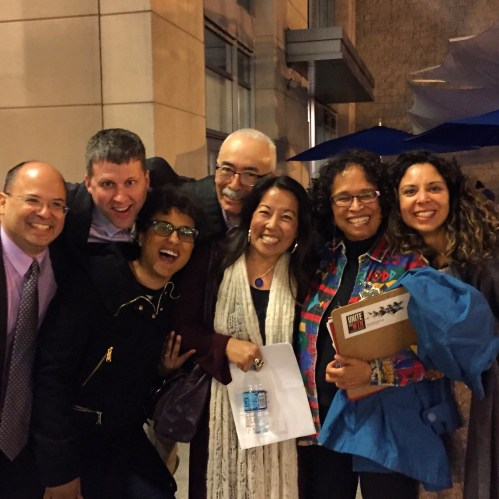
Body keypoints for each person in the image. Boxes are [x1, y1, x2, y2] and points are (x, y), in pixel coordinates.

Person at [297, 150, 460, 499]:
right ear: (330, 205)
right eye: (343, 197)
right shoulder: (321, 261)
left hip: (385, 428)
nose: (356, 206)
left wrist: (372, 373)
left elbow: (439, 358)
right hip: (322, 427)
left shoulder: (412, 265)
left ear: (382, 198)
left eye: (366, 195)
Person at [32, 186, 203, 499]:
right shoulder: (95, 283)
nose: (174, 239)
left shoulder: (172, 301)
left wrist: (162, 372)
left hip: (124, 439)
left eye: (186, 233)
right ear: (140, 235)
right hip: (76, 440)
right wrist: (60, 470)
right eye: (162, 227)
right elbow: (51, 376)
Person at [172, 175, 315, 498]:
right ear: (250, 216)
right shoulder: (214, 260)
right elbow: (182, 327)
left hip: (285, 421)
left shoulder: (305, 275)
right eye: (265, 212)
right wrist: (223, 345)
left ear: (298, 228)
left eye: (287, 217)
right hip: (219, 413)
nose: (273, 225)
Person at [387, 150, 499, 499]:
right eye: (410, 191)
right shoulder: (406, 261)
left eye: (434, 188)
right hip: (440, 402)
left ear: (451, 193)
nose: (422, 199)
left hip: (489, 395)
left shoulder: (488, 251)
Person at [0, 161, 67, 498]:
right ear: (2, 203)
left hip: (28, 443)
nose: (45, 213)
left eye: (57, 205)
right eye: (33, 200)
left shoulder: (67, 268)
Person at [183, 128, 277, 241]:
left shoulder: (279, 219)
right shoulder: (186, 210)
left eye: (249, 175)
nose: (234, 186)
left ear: (270, 179)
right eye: (227, 170)